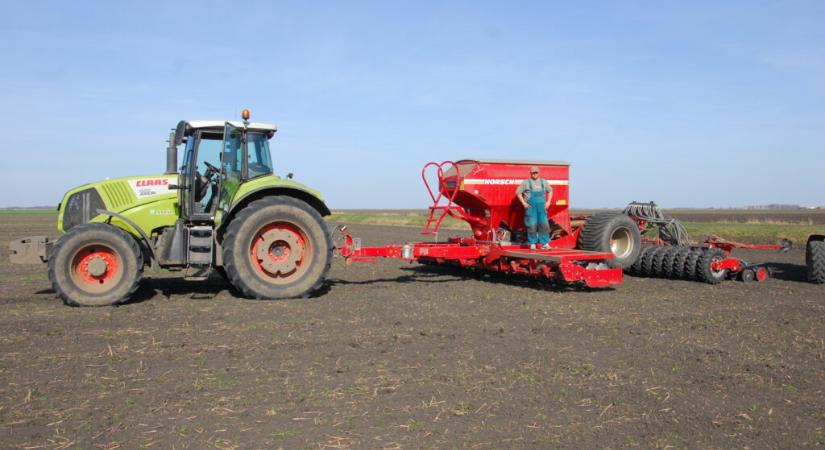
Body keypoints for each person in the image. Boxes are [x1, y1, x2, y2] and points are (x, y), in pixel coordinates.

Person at [516, 166, 553, 250]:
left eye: (536, 172)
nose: (535, 174)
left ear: (539, 173)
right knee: (532, 225)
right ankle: (532, 243)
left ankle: (545, 243)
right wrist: (523, 203)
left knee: (544, 225)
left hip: (542, 208)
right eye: (533, 172)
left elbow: (550, 190)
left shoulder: (544, 182)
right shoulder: (526, 183)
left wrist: (548, 201)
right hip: (531, 208)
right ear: (530, 173)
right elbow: (518, 193)